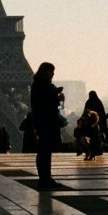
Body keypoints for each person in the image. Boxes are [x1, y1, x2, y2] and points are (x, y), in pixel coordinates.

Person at [30, 61, 64, 189]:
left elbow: (40, 102)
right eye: (52, 71)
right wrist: (57, 98)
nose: (53, 73)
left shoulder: (38, 84)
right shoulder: (43, 85)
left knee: (43, 151)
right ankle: (45, 179)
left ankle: (44, 178)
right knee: (45, 151)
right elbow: (46, 103)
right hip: (47, 122)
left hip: (42, 121)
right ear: (46, 71)